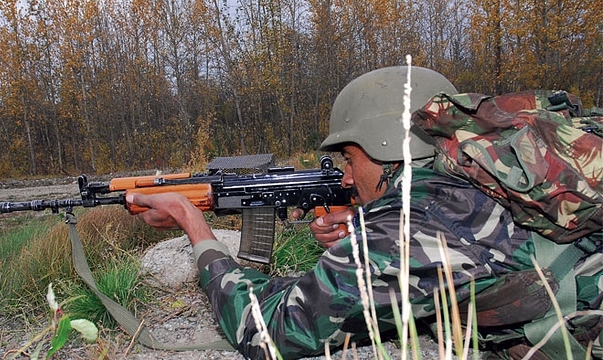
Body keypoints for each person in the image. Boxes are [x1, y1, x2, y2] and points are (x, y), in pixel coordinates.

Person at [124, 67, 566, 359]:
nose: (347, 180)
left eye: (350, 160)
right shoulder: (482, 176)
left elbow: (269, 331)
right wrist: (362, 225)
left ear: (387, 150)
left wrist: (192, 222)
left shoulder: (411, 231)